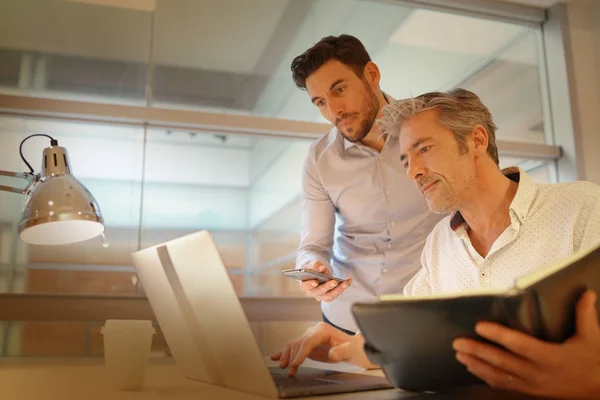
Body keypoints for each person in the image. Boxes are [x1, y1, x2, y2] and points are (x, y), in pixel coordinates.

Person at [272, 89, 600, 399]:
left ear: (477, 140)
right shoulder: (440, 244)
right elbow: (407, 343)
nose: (413, 172)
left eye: (424, 149)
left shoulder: (581, 208)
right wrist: (340, 343)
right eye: (405, 161)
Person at [290, 34, 443, 333]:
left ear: (371, 75)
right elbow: (313, 245)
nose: (334, 111)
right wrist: (312, 268)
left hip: (424, 313)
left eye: (339, 89)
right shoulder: (319, 159)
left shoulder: (431, 128)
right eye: (321, 102)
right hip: (347, 318)